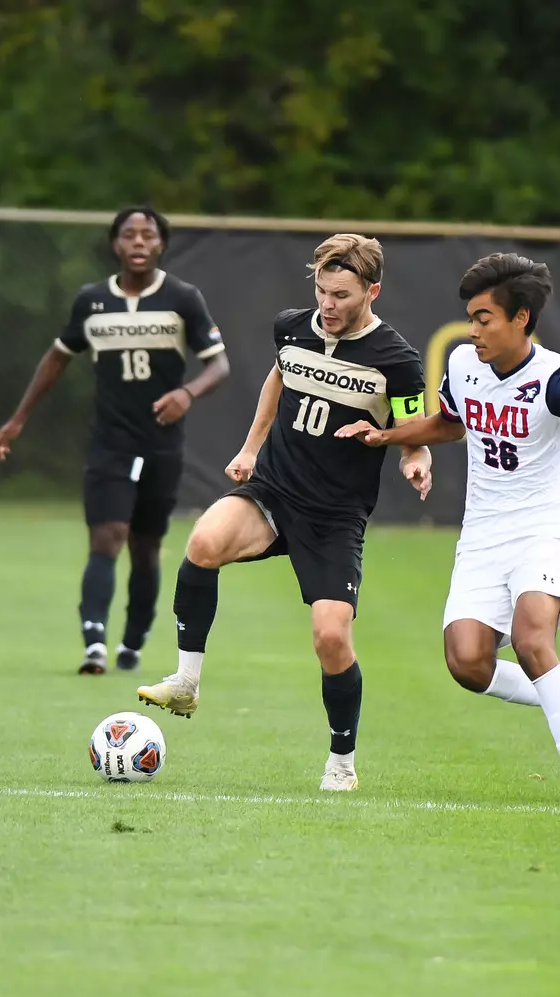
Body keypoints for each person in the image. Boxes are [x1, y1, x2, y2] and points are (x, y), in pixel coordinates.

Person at [136, 233, 431, 792]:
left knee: (330, 637)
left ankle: (342, 761)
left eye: (341, 294)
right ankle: (187, 680)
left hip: (334, 514)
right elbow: (278, 375)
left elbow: (414, 424)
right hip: (274, 490)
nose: (327, 305)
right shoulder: (292, 327)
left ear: (373, 291)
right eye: (321, 290)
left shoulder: (396, 358)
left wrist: (414, 457)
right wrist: (251, 447)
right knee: (203, 542)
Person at [337, 253, 560, 805]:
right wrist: (384, 435)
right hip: (484, 532)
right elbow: (449, 423)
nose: (473, 329)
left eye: (484, 317)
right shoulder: (465, 364)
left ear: (520, 319)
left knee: (532, 638)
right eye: (470, 316)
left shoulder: (555, 377)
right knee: (467, 662)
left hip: (544, 525)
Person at [0, 206, 230, 674]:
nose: (138, 242)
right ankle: (94, 642)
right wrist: (18, 418)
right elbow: (57, 359)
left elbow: (219, 365)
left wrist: (187, 392)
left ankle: (133, 641)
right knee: (107, 537)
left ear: (161, 243)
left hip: (162, 444)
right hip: (110, 443)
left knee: (145, 546)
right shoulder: (92, 301)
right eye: (128, 234)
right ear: (115, 243)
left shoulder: (182, 297)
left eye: (148, 234)